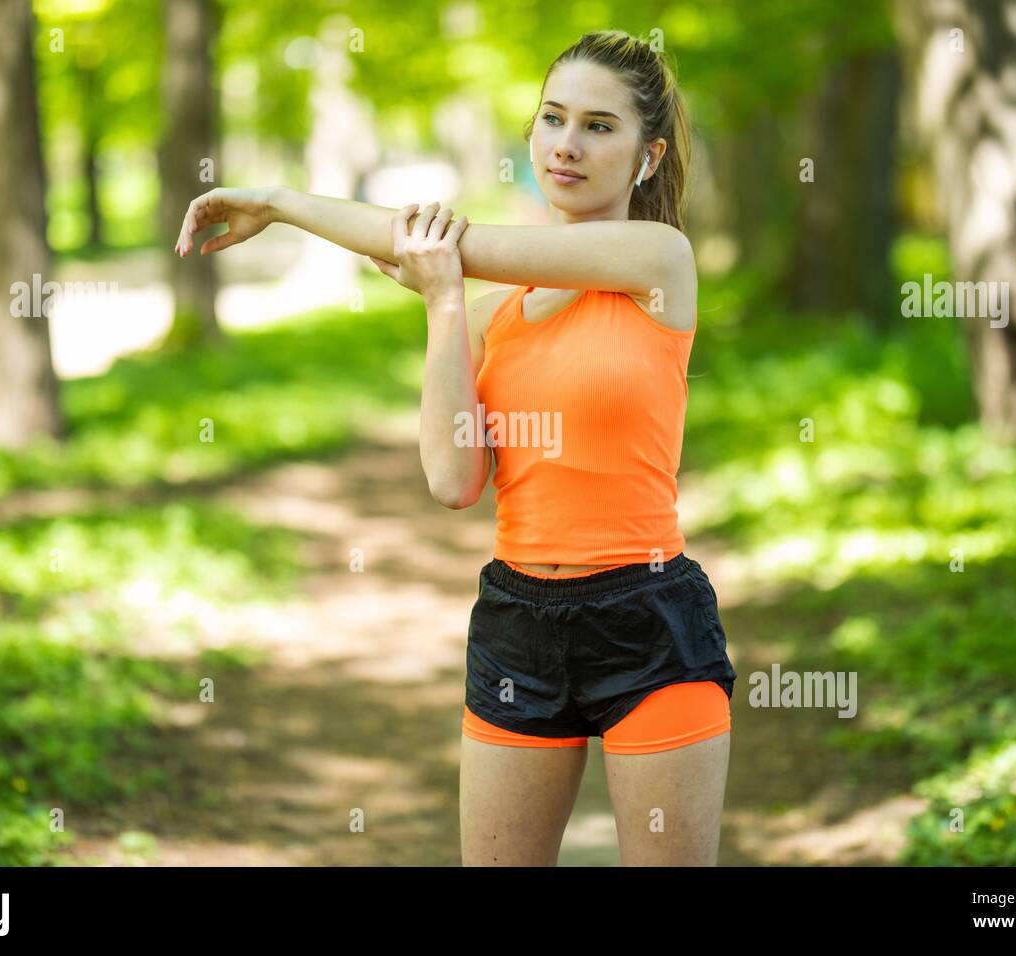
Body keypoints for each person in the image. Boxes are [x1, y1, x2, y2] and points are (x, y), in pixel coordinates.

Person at [174, 29, 737, 867]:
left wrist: (283, 204)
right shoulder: (489, 315)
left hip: (649, 621)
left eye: (599, 126)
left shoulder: (659, 260)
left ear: (647, 158)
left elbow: (453, 243)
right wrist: (443, 304)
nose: (568, 145)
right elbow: (451, 478)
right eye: (553, 119)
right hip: (519, 624)